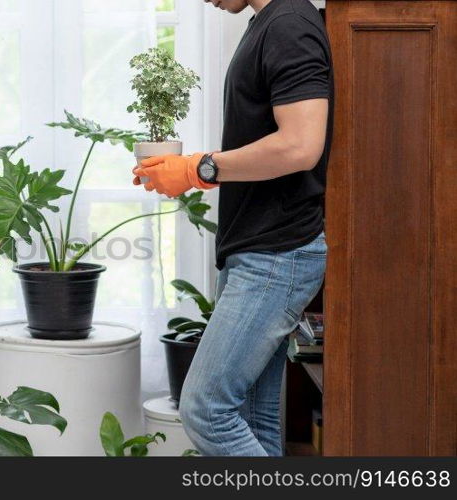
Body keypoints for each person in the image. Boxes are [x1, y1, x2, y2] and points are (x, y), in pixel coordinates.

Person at [132, 0, 333, 456]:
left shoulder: (288, 24)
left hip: (276, 256)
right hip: (262, 251)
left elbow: (301, 145)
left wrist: (197, 169)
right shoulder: (270, 22)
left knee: (205, 408)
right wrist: (187, 168)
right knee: (251, 419)